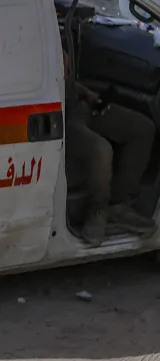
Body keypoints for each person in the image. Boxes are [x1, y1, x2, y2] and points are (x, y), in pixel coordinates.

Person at [63, 49, 157, 245]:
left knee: (143, 128)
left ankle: (118, 204)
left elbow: (69, 82)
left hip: (82, 106)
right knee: (101, 149)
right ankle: (97, 209)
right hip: (62, 118)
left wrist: (87, 94)